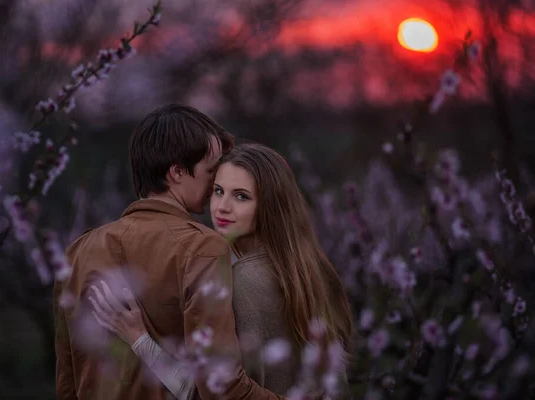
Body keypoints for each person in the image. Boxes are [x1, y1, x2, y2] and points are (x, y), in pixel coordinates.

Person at [53, 104, 287, 399]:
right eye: (211, 171)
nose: (216, 183)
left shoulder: (76, 253)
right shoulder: (202, 247)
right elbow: (222, 388)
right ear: (177, 172)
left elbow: (66, 383)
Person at [88, 143, 355, 399]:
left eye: (241, 196)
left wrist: (139, 338)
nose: (222, 207)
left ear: (269, 205)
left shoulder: (241, 283)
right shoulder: (312, 271)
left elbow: (213, 393)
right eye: (218, 191)